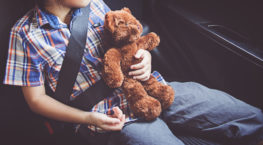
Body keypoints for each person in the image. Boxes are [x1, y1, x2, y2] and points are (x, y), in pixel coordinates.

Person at [3, 0, 263, 144]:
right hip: (110, 118)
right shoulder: (25, 34)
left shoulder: (94, 6)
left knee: (240, 114)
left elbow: (126, 42)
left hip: (152, 90)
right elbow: (36, 101)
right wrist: (88, 119)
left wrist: (145, 57)